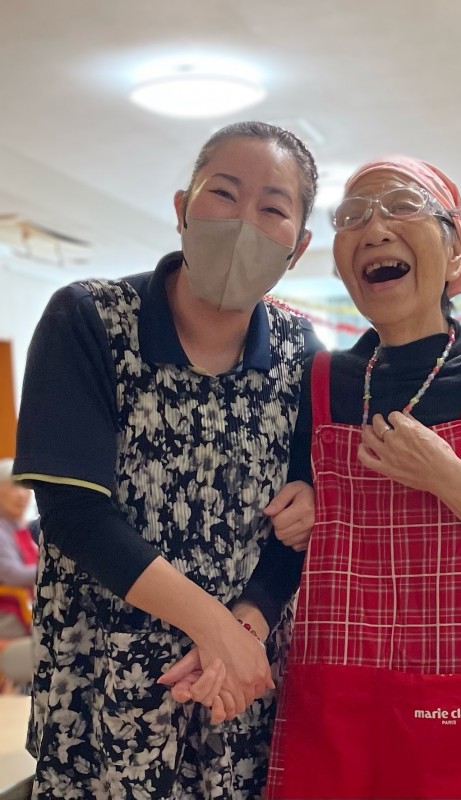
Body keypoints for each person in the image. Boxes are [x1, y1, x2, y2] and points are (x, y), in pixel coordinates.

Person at [166, 154, 461, 799]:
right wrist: (242, 629)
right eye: (352, 216)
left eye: (401, 206)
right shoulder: (320, 381)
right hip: (339, 702)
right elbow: (291, 546)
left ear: (454, 250)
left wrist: (448, 477)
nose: (373, 229)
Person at [13, 121, 323, 800]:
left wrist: (244, 630)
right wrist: (217, 629)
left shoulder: (302, 355)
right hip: (104, 686)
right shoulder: (90, 320)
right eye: (224, 193)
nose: (243, 222)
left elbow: (296, 526)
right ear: (183, 208)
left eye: (273, 208)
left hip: (237, 694)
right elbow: (76, 515)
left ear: (298, 247)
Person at [0, 458, 37, 638]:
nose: (22, 495)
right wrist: (51, 570)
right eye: (14, 487)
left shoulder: (21, 526)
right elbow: (13, 575)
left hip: (29, 609)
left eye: (25, 488)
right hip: (10, 615)